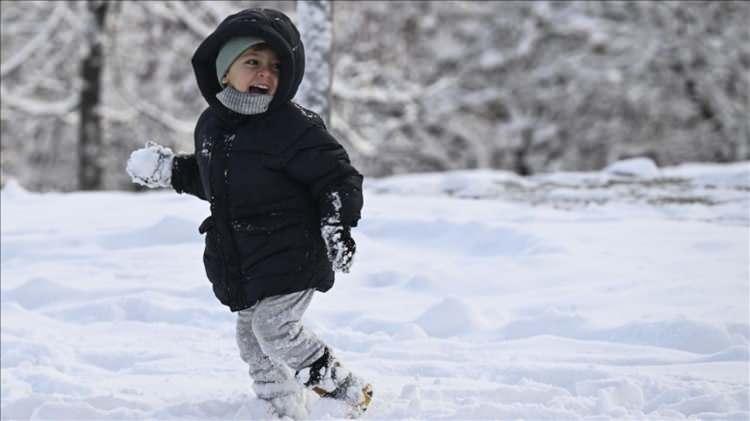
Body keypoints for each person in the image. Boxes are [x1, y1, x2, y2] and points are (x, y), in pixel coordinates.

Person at [125, 7, 371, 419]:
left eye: (276, 66)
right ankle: (281, 408)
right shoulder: (212, 125)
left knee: (275, 329)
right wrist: (170, 169)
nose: (265, 74)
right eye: (253, 62)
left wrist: (336, 223)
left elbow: (337, 177)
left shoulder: (295, 128)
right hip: (247, 258)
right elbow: (217, 181)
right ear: (224, 70)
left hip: (294, 252)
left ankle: (346, 391)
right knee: (252, 340)